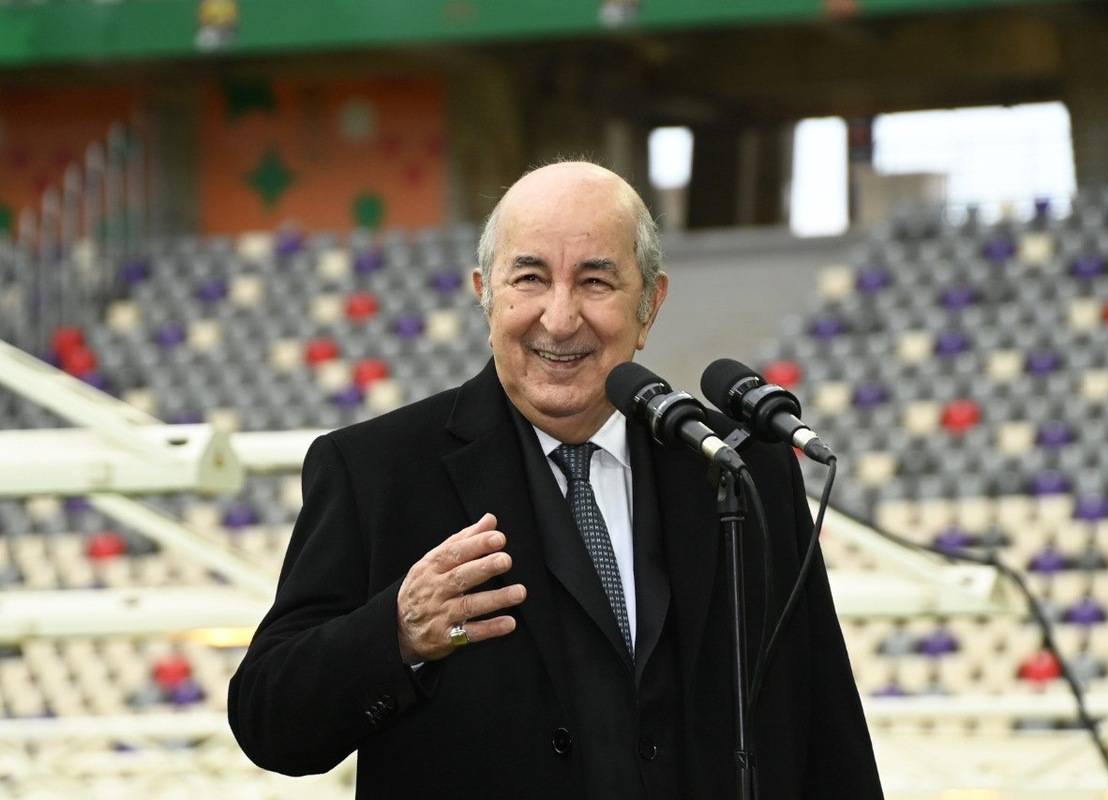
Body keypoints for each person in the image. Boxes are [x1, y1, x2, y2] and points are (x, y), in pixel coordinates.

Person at [228, 161, 882, 799]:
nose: (560, 318)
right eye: (531, 279)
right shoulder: (375, 471)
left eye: (596, 282)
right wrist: (396, 631)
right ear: (485, 294)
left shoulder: (744, 467)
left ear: (649, 304)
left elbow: (828, 730)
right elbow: (270, 721)